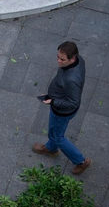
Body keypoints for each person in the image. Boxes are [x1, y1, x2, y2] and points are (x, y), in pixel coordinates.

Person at [33, 41, 90, 174]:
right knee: (55, 133)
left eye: (62, 59)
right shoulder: (78, 60)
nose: (58, 61)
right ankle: (51, 149)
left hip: (62, 111)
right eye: (57, 57)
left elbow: (73, 103)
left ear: (72, 58)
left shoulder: (72, 80)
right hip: (60, 103)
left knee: (57, 136)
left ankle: (81, 161)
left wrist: (53, 101)